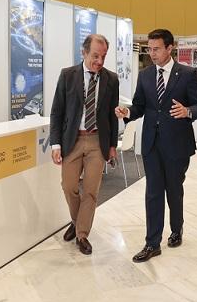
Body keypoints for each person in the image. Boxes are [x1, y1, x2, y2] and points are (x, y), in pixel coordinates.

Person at [115, 29, 197, 263]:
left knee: (174, 190)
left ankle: (177, 229)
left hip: (177, 144)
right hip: (152, 144)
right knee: (153, 192)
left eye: (156, 49)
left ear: (169, 48)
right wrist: (127, 113)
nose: (152, 53)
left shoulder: (187, 74)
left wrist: (187, 112)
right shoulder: (145, 75)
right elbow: (139, 106)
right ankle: (152, 243)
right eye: (149, 49)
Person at [50, 34, 119, 255]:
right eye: (95, 56)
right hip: (73, 140)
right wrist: (55, 144)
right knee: (68, 186)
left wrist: (112, 145)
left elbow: (111, 115)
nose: (99, 61)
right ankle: (76, 220)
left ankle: (82, 234)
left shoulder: (111, 79)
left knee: (91, 191)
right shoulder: (67, 75)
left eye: (103, 56)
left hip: (98, 141)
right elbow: (57, 112)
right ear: (84, 52)